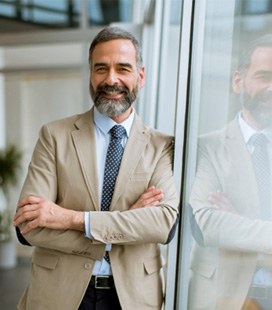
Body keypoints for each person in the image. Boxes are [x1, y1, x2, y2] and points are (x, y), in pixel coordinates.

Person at [13, 26, 179, 310]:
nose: (111, 79)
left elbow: (163, 224)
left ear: (141, 75)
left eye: (123, 68)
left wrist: (71, 219)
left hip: (132, 298)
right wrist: (125, 224)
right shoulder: (54, 135)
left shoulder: (162, 145)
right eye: (101, 68)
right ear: (90, 74)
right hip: (59, 294)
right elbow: (29, 227)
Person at [189, 34, 272, 310]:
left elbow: (227, 227)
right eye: (264, 76)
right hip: (223, 297)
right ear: (238, 80)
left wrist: (239, 221)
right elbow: (206, 225)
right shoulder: (206, 147)